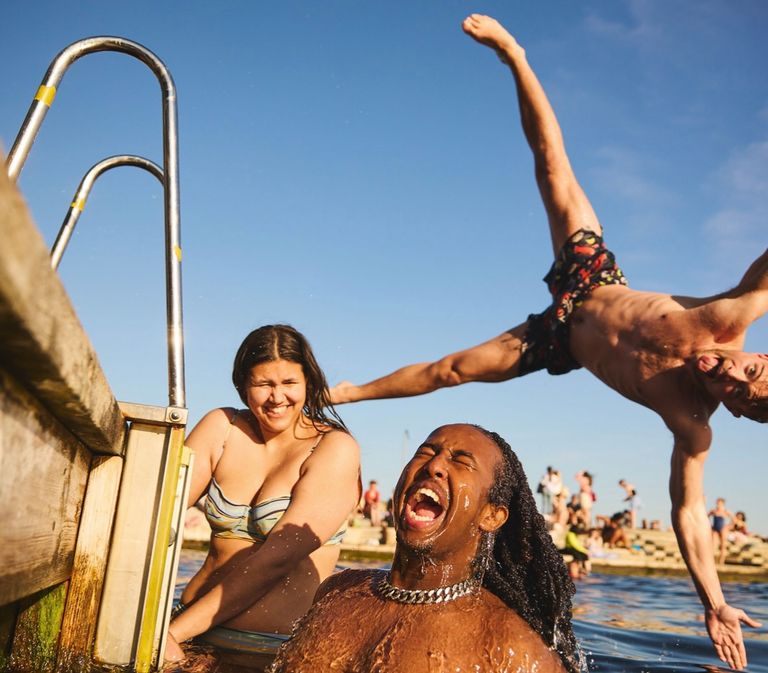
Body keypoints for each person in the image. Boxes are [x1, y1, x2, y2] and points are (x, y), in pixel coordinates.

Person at [329, 14, 764, 670]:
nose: (731, 375)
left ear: (736, 410)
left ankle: (347, 393)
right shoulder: (736, 312)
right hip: (592, 278)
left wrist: (712, 600)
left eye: (741, 393)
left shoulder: (691, 422)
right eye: (751, 370)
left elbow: (689, 517)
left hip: (558, 340)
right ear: (759, 353)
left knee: (453, 370)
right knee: (552, 165)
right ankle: (516, 57)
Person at [270, 424, 581, 673]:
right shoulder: (337, 592)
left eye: (460, 461)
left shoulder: (512, 648)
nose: (434, 466)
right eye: (426, 452)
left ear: (491, 515)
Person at [163, 325, 361, 672]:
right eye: (263, 384)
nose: (277, 397)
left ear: (309, 384)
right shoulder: (221, 428)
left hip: (272, 655)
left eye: (289, 383)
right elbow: (159, 511)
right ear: (242, 386)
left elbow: (276, 560)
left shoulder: (334, 449)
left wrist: (171, 634)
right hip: (191, 642)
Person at [709, 497, 734, 565]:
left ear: (723, 503)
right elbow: (706, 516)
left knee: (723, 545)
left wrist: (728, 526)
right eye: (717, 503)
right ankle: (712, 561)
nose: (718, 504)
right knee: (713, 545)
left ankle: (721, 562)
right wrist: (710, 526)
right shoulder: (714, 511)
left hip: (722, 528)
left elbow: (734, 519)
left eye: (719, 503)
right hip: (715, 529)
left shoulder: (725, 511)